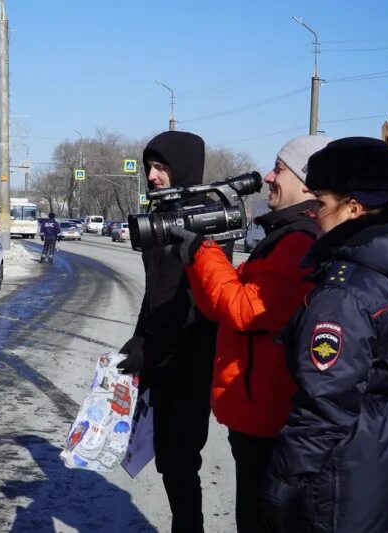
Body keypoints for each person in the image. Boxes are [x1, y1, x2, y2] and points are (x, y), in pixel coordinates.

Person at [164, 135, 332, 531]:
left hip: (272, 418)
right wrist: (195, 258)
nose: (269, 176)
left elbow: (245, 310)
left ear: (307, 182)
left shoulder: (298, 241)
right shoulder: (280, 236)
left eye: (280, 168)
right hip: (257, 415)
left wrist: (203, 254)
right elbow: (220, 307)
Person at [262, 137, 388, 532]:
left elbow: (324, 407)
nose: (313, 213)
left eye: (321, 203)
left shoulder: (343, 293)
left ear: (353, 207)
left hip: (342, 474)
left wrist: (281, 484)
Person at [117, 130, 227, 533]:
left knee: (181, 459)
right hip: (161, 355)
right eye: (149, 167)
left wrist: (156, 342)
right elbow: (154, 294)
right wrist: (141, 337)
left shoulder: (207, 218)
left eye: (161, 168)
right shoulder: (160, 216)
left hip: (192, 357)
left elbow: (199, 302)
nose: (152, 176)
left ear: (183, 168)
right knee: (167, 457)